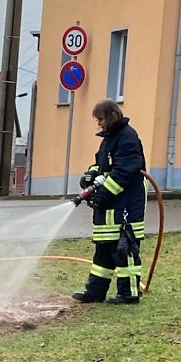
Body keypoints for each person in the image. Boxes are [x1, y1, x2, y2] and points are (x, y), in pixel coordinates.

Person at [73, 99, 147, 305]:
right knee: (104, 251)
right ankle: (95, 292)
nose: (99, 124)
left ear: (112, 116)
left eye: (101, 119)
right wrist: (90, 175)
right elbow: (102, 165)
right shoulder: (109, 139)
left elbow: (124, 172)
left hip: (126, 205)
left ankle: (128, 293)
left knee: (125, 250)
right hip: (110, 207)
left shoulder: (127, 138)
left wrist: (102, 194)